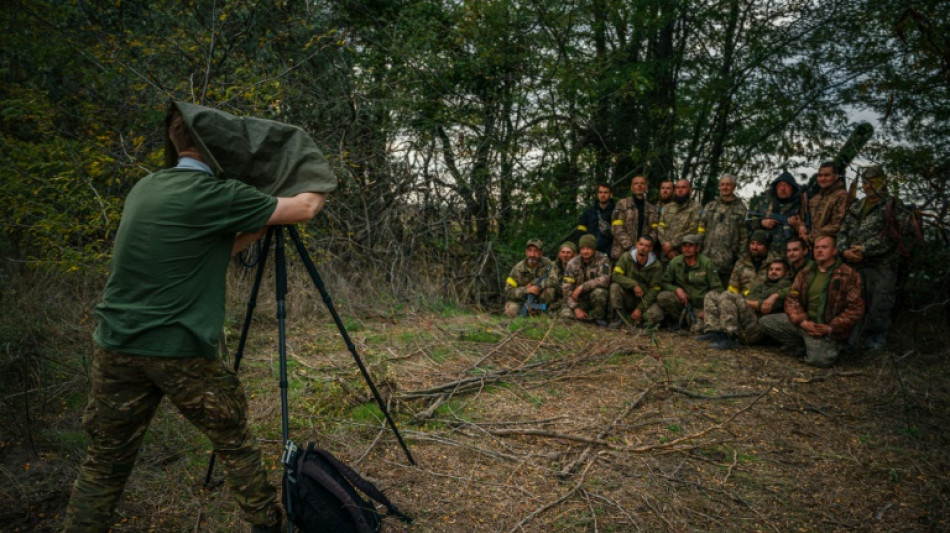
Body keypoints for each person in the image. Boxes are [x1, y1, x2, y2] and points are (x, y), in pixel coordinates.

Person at [64, 109, 335, 533]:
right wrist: (311, 168)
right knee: (235, 441)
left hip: (115, 343)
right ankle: (267, 524)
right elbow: (304, 208)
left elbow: (205, 248)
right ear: (219, 145)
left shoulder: (147, 187)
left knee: (105, 458)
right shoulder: (216, 194)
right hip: (179, 349)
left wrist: (258, 223)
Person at [759, 236, 865, 367]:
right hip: (806, 324)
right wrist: (802, 321)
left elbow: (855, 309)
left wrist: (831, 327)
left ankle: (830, 347)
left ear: (834, 251)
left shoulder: (848, 275)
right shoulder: (806, 272)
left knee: (818, 361)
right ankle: (802, 345)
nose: (819, 251)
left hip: (827, 329)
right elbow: (792, 299)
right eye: (817, 248)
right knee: (767, 322)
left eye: (824, 247)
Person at [837, 165, 902, 350]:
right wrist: (844, 251)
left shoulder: (893, 206)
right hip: (854, 265)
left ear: (883, 181)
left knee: (879, 304)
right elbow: (843, 230)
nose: (867, 186)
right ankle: (851, 340)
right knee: (853, 302)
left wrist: (864, 249)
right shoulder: (857, 206)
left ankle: (875, 341)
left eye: (872, 182)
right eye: (865, 183)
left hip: (881, 266)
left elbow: (892, 235)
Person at [699, 258, 793, 349]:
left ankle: (730, 337)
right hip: (747, 322)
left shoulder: (785, 287)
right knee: (712, 295)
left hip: (758, 330)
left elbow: (765, 307)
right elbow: (748, 299)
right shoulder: (763, 285)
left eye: (778, 270)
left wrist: (742, 300)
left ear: (786, 273)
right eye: (771, 269)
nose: (773, 272)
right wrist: (742, 300)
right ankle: (715, 331)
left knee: (729, 295)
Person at [649, 234, 723, 332]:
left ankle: (690, 322)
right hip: (682, 303)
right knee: (663, 297)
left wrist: (707, 310)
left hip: (700, 306)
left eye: (690, 246)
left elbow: (717, 289)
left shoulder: (706, 263)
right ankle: (677, 320)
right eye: (684, 246)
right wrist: (676, 289)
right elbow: (664, 282)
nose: (687, 249)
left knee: (698, 329)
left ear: (697, 248)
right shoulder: (675, 262)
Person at [698, 174, 749, 286]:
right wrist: (699, 247)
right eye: (722, 184)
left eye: (728, 184)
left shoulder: (741, 210)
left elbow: (744, 237)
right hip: (707, 258)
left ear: (734, 187)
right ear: (719, 186)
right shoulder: (710, 206)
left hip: (728, 261)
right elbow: (701, 228)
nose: (725, 187)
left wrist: (740, 259)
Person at [608, 235, 664, 328]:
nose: (643, 248)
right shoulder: (626, 257)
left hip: (644, 299)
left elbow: (655, 289)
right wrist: (634, 285)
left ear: (651, 248)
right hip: (628, 296)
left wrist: (640, 308)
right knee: (615, 287)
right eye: (641, 244)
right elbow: (615, 276)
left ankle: (641, 321)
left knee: (655, 314)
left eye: (647, 246)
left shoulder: (656, 266)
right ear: (636, 245)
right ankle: (619, 318)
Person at [747, 171, 803, 257]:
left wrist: (798, 226)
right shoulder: (764, 203)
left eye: (786, 185)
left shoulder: (801, 205)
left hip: (792, 255)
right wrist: (761, 223)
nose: (782, 188)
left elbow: (810, 229)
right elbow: (749, 221)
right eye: (780, 185)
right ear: (776, 188)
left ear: (793, 188)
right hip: (768, 255)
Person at [560, 234, 611, 324]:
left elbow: (605, 279)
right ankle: (582, 317)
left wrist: (583, 286)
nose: (585, 251)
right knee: (566, 316)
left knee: (599, 292)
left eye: (588, 248)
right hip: (577, 299)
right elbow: (566, 289)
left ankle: (598, 318)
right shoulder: (572, 263)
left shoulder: (603, 259)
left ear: (594, 249)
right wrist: (576, 308)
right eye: (582, 249)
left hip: (593, 298)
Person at [609, 175, 659, 260]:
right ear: (632, 187)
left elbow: (655, 230)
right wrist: (632, 247)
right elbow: (616, 228)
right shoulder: (622, 204)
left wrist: (644, 246)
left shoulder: (652, 209)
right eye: (636, 183)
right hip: (622, 253)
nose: (639, 185)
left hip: (644, 255)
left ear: (646, 187)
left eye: (642, 183)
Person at [504, 239, 559, 316]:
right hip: (523, 300)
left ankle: (542, 311)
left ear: (541, 253)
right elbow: (508, 291)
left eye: (536, 251)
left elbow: (554, 280)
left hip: (540, 300)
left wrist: (537, 284)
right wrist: (527, 290)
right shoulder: (517, 269)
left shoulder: (547, 263)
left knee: (550, 290)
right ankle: (532, 313)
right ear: (526, 252)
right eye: (530, 251)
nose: (532, 254)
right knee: (511, 310)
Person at [799, 161, 848, 244]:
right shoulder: (815, 198)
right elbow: (803, 217)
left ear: (836, 177)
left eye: (827, 175)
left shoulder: (842, 196)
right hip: (812, 245)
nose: (822, 179)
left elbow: (838, 224)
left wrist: (811, 237)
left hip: (830, 245)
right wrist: (801, 226)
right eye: (820, 175)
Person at [657, 179, 701, 263]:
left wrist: (672, 244)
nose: (680, 190)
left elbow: (692, 229)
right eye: (677, 187)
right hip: (665, 253)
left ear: (690, 190)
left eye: (683, 187)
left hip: (684, 254)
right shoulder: (667, 207)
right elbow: (660, 227)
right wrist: (667, 247)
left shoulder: (696, 208)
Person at [573, 183, 615, 256]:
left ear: (611, 194)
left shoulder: (617, 211)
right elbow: (580, 233)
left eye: (605, 192)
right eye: (600, 192)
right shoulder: (588, 212)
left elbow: (618, 234)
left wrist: (609, 252)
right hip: (590, 252)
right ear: (597, 194)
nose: (603, 195)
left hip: (611, 252)